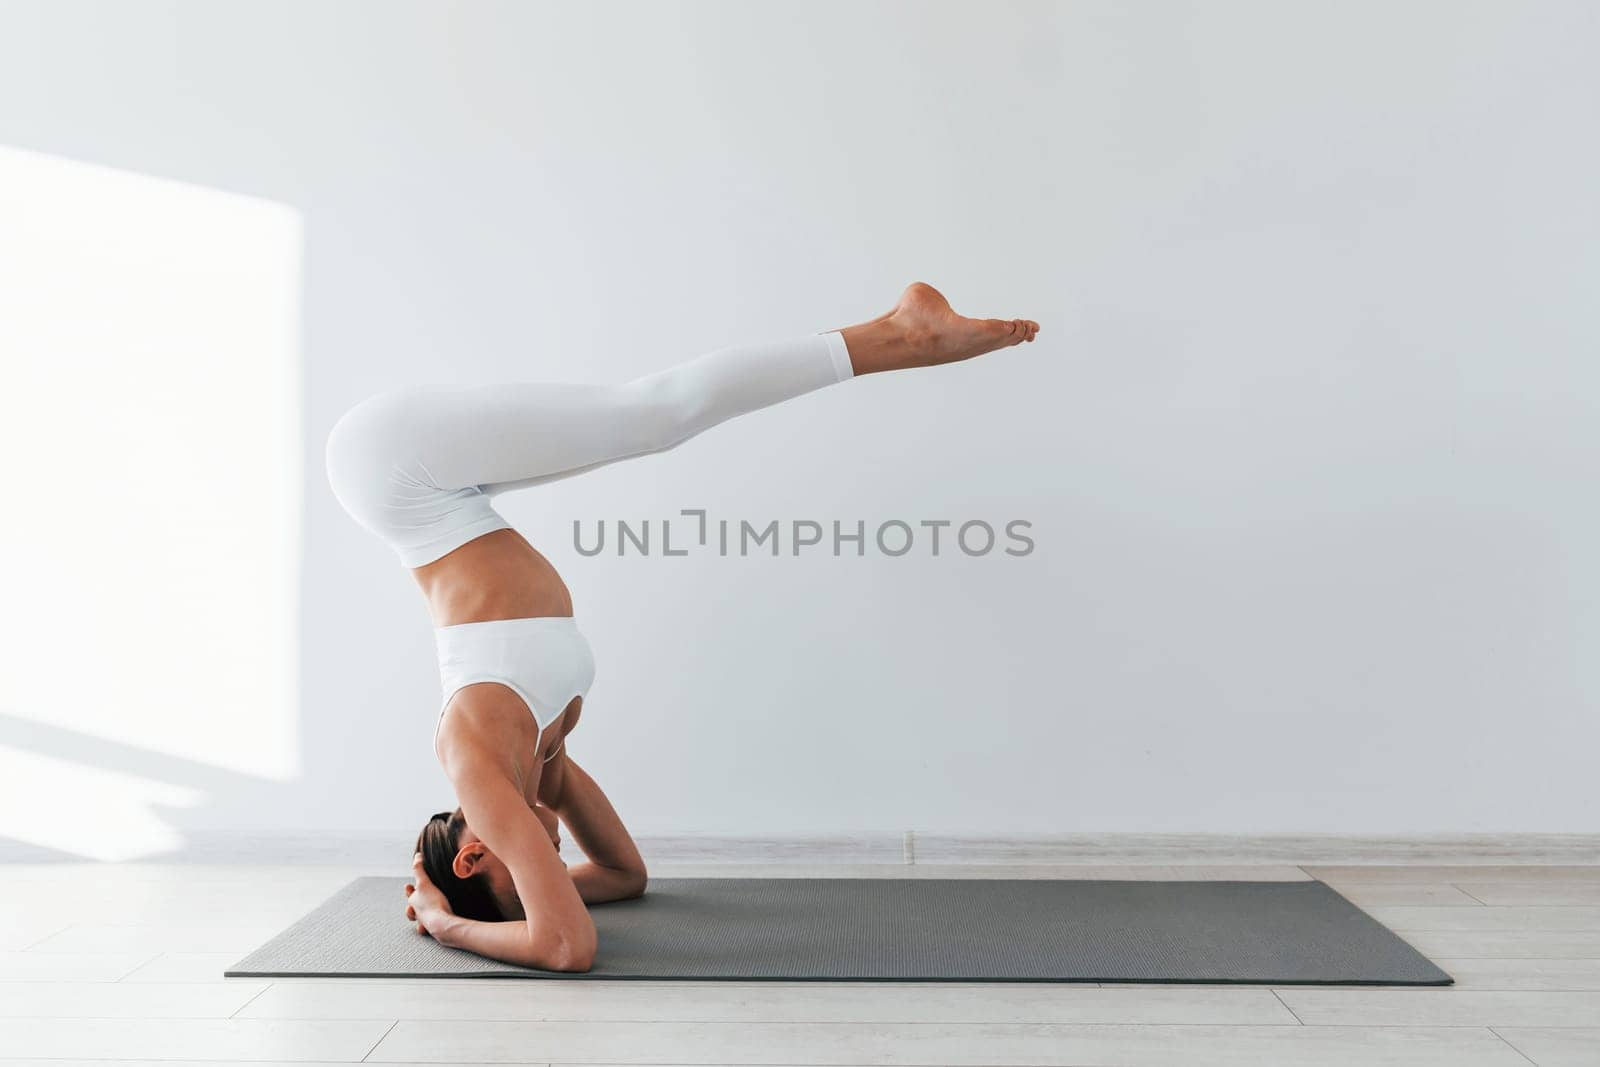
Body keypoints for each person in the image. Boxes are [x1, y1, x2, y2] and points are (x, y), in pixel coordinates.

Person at [325, 282, 1039, 970]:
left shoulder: (477, 765)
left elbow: (567, 946)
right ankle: (896, 330)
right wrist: (531, 871)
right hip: (431, 494)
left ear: (473, 855)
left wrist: (447, 925)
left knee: (655, 415)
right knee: (649, 422)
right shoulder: (537, 761)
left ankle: (902, 332)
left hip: (387, 466)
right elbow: (621, 873)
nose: (549, 867)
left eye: (525, 878)